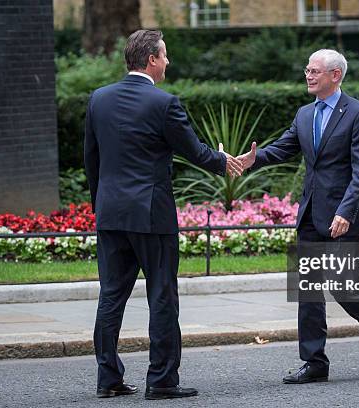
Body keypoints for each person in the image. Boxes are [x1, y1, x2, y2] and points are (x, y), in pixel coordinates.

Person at [84, 29, 242, 400]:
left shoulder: (98, 99)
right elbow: (195, 152)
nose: (168, 62)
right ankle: (162, 380)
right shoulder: (164, 103)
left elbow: (92, 159)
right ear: (152, 59)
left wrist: (100, 206)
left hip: (110, 215)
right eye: (165, 55)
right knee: (162, 296)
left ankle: (108, 379)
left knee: (110, 296)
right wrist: (223, 160)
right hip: (151, 216)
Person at [236, 49, 359, 384]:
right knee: (308, 290)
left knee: (343, 287)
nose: (308, 75)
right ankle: (314, 362)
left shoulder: (358, 113)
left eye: (315, 71)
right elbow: (282, 148)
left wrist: (345, 211)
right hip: (310, 214)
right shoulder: (305, 114)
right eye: (306, 70)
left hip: (344, 216)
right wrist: (253, 159)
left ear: (335, 75)